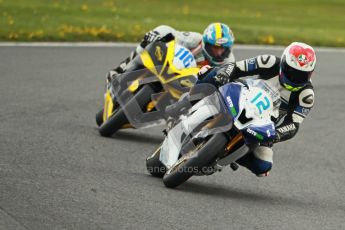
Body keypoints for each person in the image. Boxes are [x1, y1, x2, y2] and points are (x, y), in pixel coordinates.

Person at [197, 42, 316, 177]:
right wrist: (225, 73)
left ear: (310, 74)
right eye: (291, 71)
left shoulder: (306, 96)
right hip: (243, 97)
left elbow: (293, 124)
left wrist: (276, 135)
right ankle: (186, 103)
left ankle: (225, 155)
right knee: (212, 72)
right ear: (283, 63)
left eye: (301, 75)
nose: (294, 78)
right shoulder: (269, 62)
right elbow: (236, 67)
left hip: (261, 125)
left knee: (263, 166)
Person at [106, 23, 235, 82]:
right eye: (215, 47)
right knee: (155, 37)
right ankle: (121, 69)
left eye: (223, 49)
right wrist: (156, 37)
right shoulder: (195, 39)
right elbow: (172, 34)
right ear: (205, 42)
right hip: (172, 67)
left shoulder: (229, 62)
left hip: (191, 87)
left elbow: (232, 80)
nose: (218, 53)